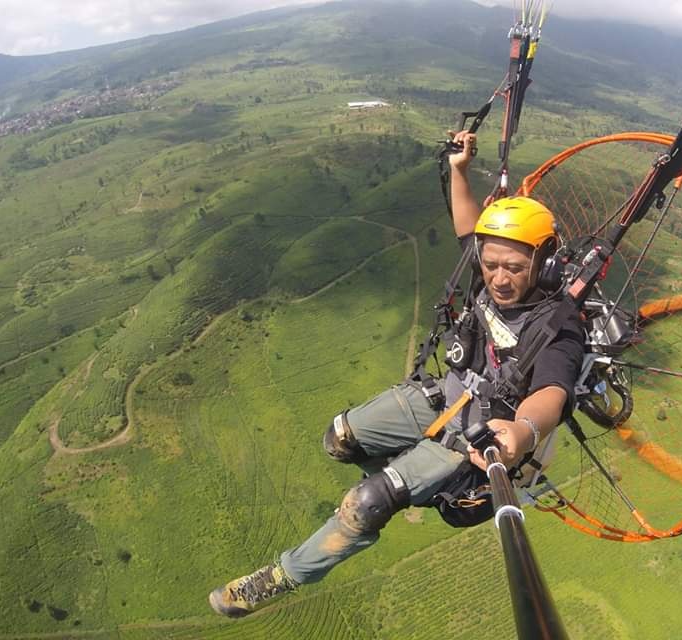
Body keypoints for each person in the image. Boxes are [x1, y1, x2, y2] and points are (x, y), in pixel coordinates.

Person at [208, 130, 586, 617]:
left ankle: (283, 575)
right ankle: (401, 480)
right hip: (441, 398)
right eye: (491, 265)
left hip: (477, 438)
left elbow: (552, 393)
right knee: (339, 438)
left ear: (545, 264)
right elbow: (468, 227)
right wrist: (458, 170)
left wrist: (524, 430)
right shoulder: (487, 270)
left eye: (514, 267)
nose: (499, 278)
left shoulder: (559, 325)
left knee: (364, 503)